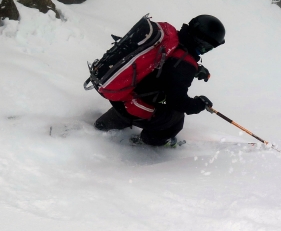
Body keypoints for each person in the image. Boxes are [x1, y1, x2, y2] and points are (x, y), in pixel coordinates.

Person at [94, 15, 226, 146]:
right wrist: (199, 104)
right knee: (176, 117)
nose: (206, 51)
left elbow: (167, 63)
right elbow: (178, 102)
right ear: (202, 42)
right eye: (208, 47)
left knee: (139, 99)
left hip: (119, 92)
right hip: (133, 105)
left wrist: (195, 68)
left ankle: (106, 124)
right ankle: (150, 141)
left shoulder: (169, 38)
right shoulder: (184, 64)